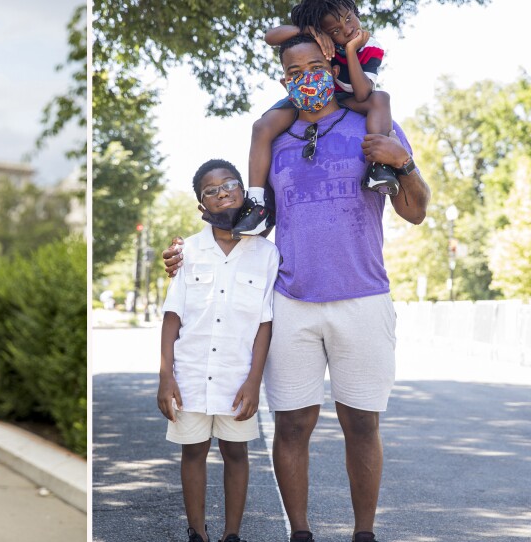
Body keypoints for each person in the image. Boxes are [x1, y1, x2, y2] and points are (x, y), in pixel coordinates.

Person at [164, 34, 430, 542]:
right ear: (283, 80)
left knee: (361, 426)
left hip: (364, 297)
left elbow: (415, 211)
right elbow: (249, 224)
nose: (306, 77)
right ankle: (301, 534)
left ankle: (364, 534)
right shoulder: (278, 140)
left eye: (314, 66)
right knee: (290, 427)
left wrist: (405, 162)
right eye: (294, 71)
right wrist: (186, 251)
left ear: (331, 66)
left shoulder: (372, 124)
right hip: (291, 302)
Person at [158, 159, 279, 542]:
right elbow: (172, 316)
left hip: (235, 375)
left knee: (236, 453)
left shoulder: (265, 254)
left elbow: (264, 323)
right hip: (190, 372)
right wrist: (166, 376)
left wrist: (254, 380)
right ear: (201, 206)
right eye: (211, 190)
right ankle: (197, 532)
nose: (222, 192)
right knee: (193, 452)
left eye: (230, 184)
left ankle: (231, 534)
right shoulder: (188, 251)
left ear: (244, 191)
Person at [235, 0, 397, 235]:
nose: (346, 29)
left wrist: (351, 49)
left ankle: (379, 167)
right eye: (333, 30)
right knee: (261, 127)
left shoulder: (368, 46)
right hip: (308, 97)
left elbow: (363, 94)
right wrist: (310, 31)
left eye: (349, 19)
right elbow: (270, 36)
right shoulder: (317, 39)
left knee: (381, 98)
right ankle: (257, 204)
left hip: (345, 96)